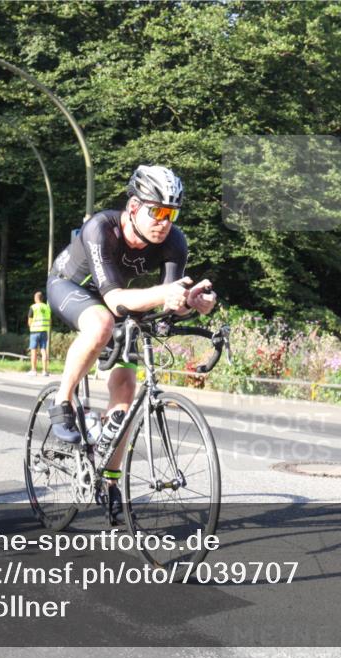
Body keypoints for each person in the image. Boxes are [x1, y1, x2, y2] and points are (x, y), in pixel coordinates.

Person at [46, 165, 216, 519]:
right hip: (73, 286)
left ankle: (108, 479)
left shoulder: (174, 242)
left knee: (125, 393)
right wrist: (164, 294)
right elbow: (114, 300)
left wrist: (192, 304)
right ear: (135, 207)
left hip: (126, 300)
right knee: (101, 323)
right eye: (158, 211)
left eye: (172, 213)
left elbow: (168, 306)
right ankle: (62, 401)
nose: (165, 221)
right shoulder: (101, 228)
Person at [26, 291, 51, 376]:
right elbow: (50, 320)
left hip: (34, 332)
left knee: (34, 351)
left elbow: (29, 321)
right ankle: (44, 371)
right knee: (43, 350)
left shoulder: (33, 307)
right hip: (44, 331)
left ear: (36, 298)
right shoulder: (47, 307)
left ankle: (33, 370)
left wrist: (31, 327)